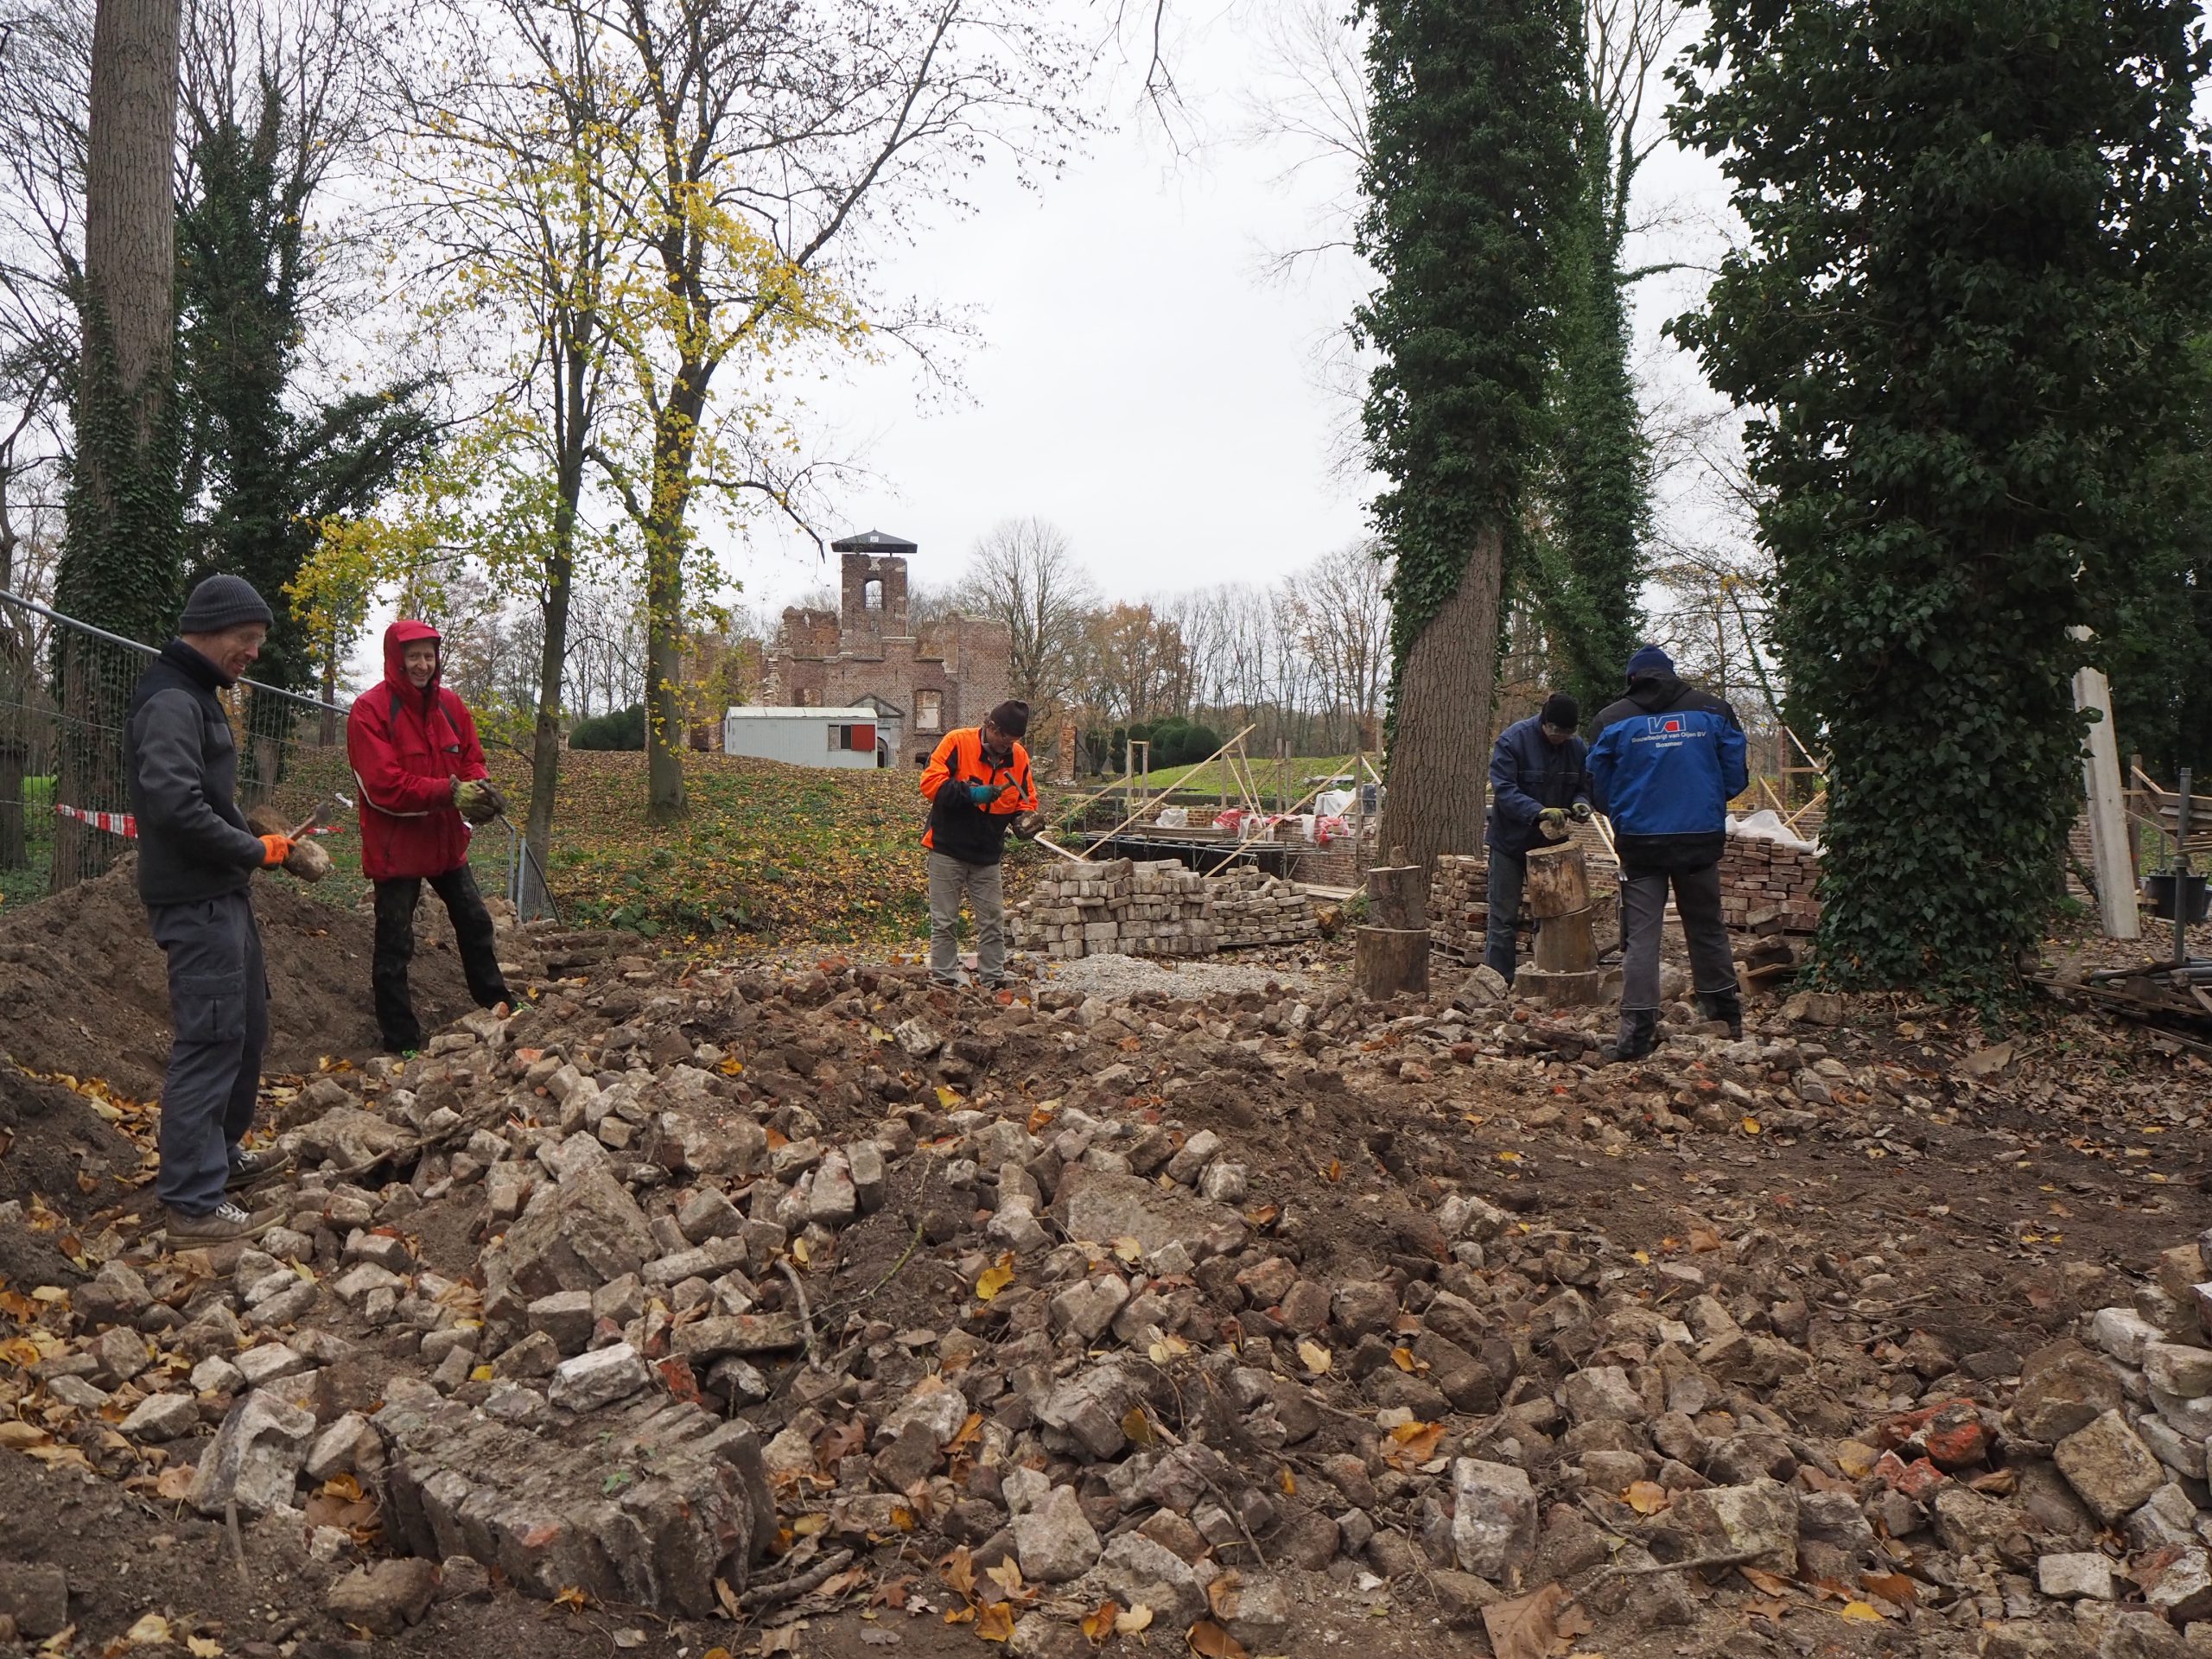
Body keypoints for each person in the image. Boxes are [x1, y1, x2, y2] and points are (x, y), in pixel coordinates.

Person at [125, 574, 297, 1243]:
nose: (253, 653)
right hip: (196, 900)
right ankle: (192, 1204)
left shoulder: (195, 694)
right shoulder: (171, 699)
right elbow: (173, 804)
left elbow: (198, 798)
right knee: (212, 1037)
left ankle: (221, 1159)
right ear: (211, 629)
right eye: (247, 640)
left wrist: (247, 843)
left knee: (245, 1027)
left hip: (219, 892)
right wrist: (251, 849)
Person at [347, 620, 514, 1053]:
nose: (423, 664)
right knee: (395, 942)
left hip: (445, 845)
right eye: (414, 657)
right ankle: (400, 1040)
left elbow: (472, 758)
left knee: (476, 922)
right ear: (396, 660)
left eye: (429, 655)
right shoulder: (370, 711)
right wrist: (451, 792)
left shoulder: (451, 706)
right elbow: (382, 784)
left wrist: (478, 786)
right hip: (397, 849)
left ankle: (498, 1005)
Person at [1586, 644, 1750, 1059]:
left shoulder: (1612, 719)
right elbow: (1735, 777)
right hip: (1699, 838)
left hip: (1641, 843)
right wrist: (1705, 800)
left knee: (1642, 938)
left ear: (1632, 679)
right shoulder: (1714, 711)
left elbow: (1598, 787)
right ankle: (1727, 1019)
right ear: (1671, 674)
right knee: (1707, 927)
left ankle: (1636, 1036)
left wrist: (1626, 810)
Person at [919, 699, 1040, 989]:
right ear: (990, 727)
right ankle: (945, 979)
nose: (1007, 747)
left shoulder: (1019, 757)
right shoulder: (957, 743)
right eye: (1004, 739)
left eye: (1013, 741)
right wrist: (971, 794)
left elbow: (1026, 798)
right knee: (945, 921)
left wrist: (1025, 819)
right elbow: (930, 783)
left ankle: (993, 979)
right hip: (948, 847)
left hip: (987, 853)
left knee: (992, 920)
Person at [1483, 692, 1592, 985]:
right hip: (1510, 842)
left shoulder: (1576, 748)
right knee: (1504, 916)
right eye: (1556, 731)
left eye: (1567, 733)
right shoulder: (1513, 741)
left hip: (1552, 848)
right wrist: (1538, 811)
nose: (1560, 738)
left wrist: (1582, 803)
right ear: (1545, 723)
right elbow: (1504, 790)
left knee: (1555, 915)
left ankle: (1553, 976)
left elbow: (1583, 786)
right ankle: (1496, 982)